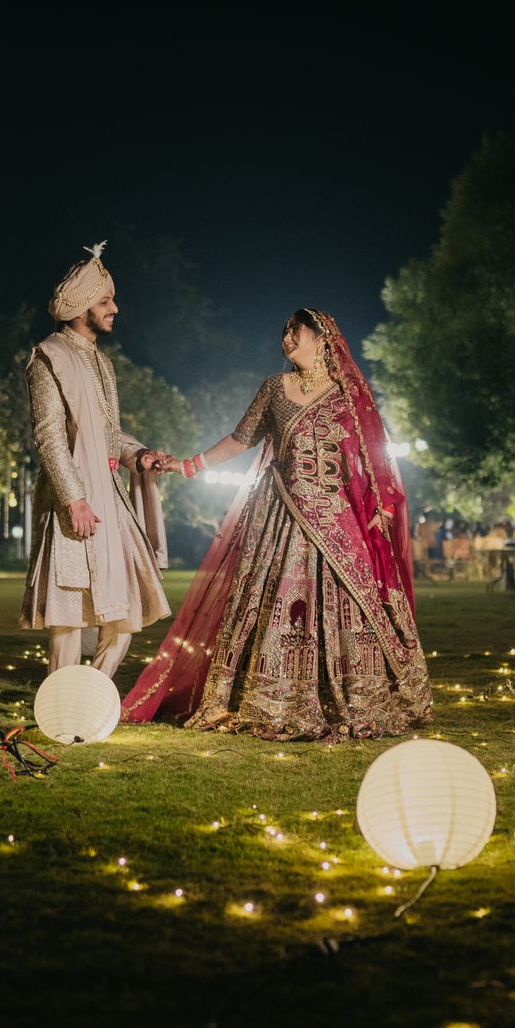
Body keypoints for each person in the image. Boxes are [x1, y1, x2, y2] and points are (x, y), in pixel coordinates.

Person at [121, 308, 433, 740]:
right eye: (284, 330)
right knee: (272, 602)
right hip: (280, 514)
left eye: (296, 331)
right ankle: (269, 697)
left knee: (351, 608)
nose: (287, 337)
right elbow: (240, 438)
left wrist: (382, 504)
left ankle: (353, 696)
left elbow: (374, 452)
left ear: (322, 338)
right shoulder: (274, 388)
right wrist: (188, 464)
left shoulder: (347, 395)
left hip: (337, 521)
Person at [20, 243, 176, 677]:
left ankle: (95, 692)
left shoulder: (103, 364)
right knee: (68, 611)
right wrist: (74, 499)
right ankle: (61, 699)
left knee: (127, 602)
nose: (115, 308)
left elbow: (107, 434)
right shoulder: (49, 356)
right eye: (105, 301)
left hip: (111, 496)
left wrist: (138, 455)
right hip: (76, 499)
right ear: (79, 307)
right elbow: (49, 434)